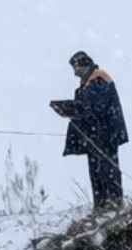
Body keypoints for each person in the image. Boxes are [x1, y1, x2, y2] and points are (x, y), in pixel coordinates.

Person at [51, 51, 127, 209]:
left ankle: (113, 207)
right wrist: (67, 108)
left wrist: (67, 107)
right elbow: (86, 109)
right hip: (95, 137)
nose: (74, 72)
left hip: (104, 137)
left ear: (84, 64)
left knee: (107, 173)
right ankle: (101, 208)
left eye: (76, 67)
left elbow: (92, 108)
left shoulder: (99, 80)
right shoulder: (88, 84)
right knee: (97, 174)